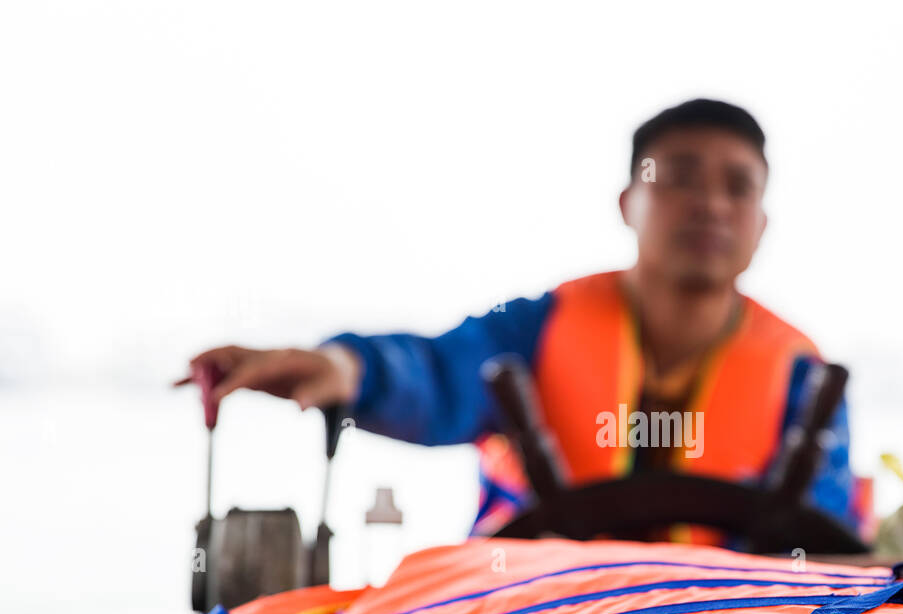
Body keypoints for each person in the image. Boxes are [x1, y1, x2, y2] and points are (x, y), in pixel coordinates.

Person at [177, 98, 865, 540]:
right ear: (628, 201)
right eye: (679, 176)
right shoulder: (535, 329)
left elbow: (822, 544)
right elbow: (439, 373)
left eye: (737, 186)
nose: (711, 204)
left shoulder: (806, 377)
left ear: (762, 222)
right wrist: (341, 367)